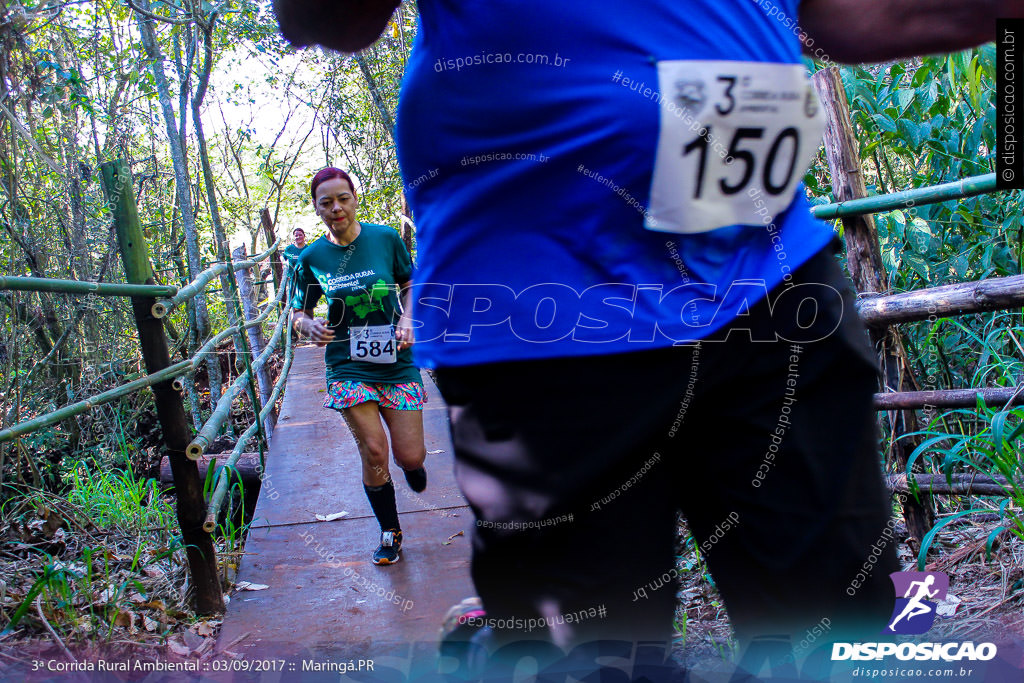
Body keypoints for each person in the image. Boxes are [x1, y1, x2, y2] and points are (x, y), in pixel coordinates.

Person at [273, 0, 1022, 676]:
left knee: (854, 638)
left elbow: (851, 15)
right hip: (546, 303)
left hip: (768, 269)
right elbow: (330, 20)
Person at [291, 167, 427, 566]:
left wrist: (407, 318)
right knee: (373, 450)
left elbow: (410, 283)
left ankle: (413, 466)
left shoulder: (384, 239)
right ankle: (390, 531)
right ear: (316, 209)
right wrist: (307, 325)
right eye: (326, 202)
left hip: (396, 361)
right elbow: (297, 311)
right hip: (347, 364)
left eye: (342, 199)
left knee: (410, 457)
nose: (336, 209)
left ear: (355, 198)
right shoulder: (311, 257)